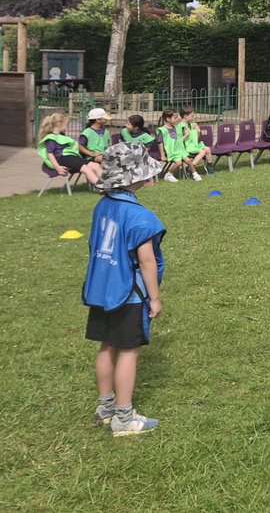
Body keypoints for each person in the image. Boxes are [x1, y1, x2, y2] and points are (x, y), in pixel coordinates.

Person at [82, 142, 165, 436]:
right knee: (128, 351)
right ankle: (123, 416)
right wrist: (154, 298)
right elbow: (146, 262)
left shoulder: (102, 205)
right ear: (136, 177)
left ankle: (104, 406)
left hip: (102, 289)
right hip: (128, 293)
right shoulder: (141, 217)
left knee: (107, 346)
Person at [37, 112, 103, 187]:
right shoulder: (51, 138)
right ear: (59, 124)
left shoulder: (61, 136)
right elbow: (50, 154)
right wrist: (58, 167)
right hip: (63, 159)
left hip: (70, 158)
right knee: (86, 169)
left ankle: (109, 184)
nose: (67, 125)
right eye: (66, 123)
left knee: (96, 166)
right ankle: (102, 187)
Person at [156, 110, 196, 182]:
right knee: (179, 163)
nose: (177, 119)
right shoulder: (162, 130)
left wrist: (186, 135)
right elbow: (160, 143)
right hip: (171, 151)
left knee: (188, 160)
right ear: (168, 119)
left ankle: (195, 174)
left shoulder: (177, 127)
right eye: (175, 117)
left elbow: (179, 140)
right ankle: (168, 174)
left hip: (180, 150)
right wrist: (162, 155)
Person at [179, 106, 215, 175]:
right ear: (185, 116)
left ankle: (209, 166)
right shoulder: (180, 127)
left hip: (193, 145)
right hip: (185, 147)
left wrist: (198, 132)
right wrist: (186, 135)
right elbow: (178, 141)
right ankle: (191, 167)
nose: (193, 117)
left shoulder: (192, 125)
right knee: (202, 152)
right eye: (192, 116)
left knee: (207, 149)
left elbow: (196, 139)